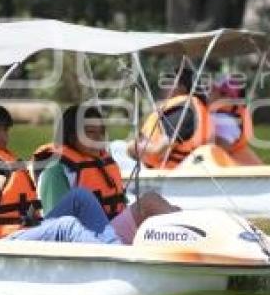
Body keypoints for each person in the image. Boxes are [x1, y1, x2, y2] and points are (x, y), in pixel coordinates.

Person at [0, 100, 120, 244]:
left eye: (5, 130)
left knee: (80, 197)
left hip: (23, 232)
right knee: (67, 225)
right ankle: (112, 261)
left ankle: (116, 249)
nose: (3, 137)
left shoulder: (3, 161)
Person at [32, 104, 179, 244]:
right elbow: (57, 225)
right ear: (71, 137)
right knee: (149, 202)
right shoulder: (56, 170)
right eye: (90, 132)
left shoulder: (103, 162)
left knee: (156, 202)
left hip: (110, 229)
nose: (98, 138)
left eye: (101, 132)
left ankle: (189, 235)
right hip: (87, 239)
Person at [127, 67, 211, 169]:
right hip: (158, 167)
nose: (162, 87)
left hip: (167, 171)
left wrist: (132, 147)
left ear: (182, 87)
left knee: (116, 149)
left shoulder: (184, 110)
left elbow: (159, 150)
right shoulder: (189, 106)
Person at [209, 75, 263, 165]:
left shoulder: (224, 121)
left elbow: (219, 155)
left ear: (226, 96)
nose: (209, 93)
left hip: (241, 174)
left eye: (213, 90)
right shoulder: (223, 115)